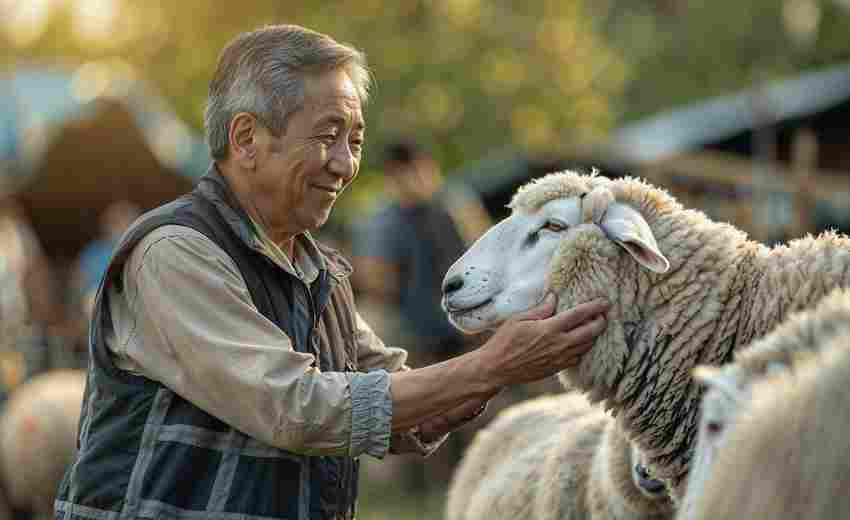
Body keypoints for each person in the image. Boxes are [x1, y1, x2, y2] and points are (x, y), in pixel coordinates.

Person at [54, 25, 609, 520]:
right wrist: (491, 364)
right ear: (246, 138)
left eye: (356, 141)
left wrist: (511, 360)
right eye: (327, 135)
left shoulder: (318, 270)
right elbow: (298, 407)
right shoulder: (175, 254)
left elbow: (388, 401)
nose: (346, 164)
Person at [353, 138, 491, 366]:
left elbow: (485, 253)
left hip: (465, 307)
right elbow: (379, 285)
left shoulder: (455, 203)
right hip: (414, 319)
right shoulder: (385, 220)